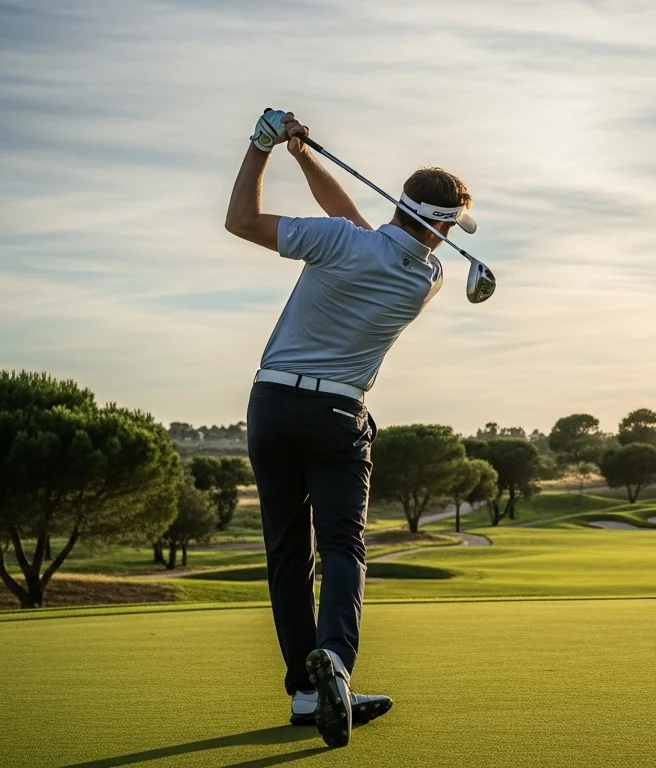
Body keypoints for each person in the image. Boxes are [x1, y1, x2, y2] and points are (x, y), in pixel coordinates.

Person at [224, 109, 475, 748]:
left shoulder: (341, 242)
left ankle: (307, 695)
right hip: (338, 416)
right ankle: (334, 662)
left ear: (398, 205)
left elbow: (242, 221)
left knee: (287, 553)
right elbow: (364, 229)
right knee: (342, 547)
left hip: (272, 404)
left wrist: (264, 148)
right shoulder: (427, 277)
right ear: (442, 229)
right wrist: (307, 157)